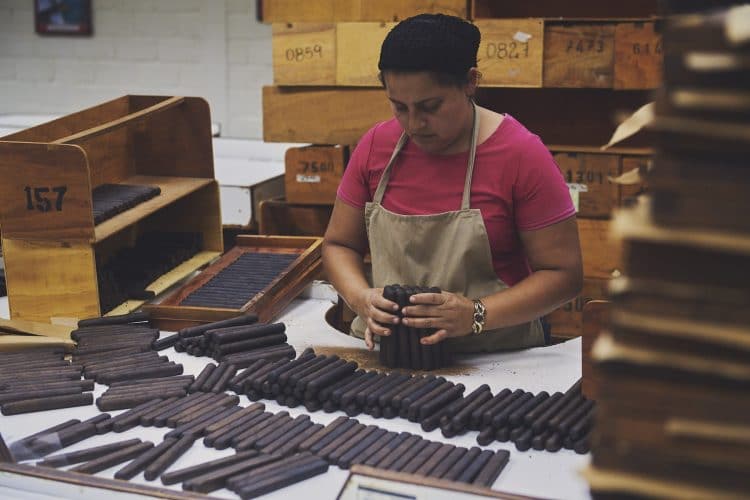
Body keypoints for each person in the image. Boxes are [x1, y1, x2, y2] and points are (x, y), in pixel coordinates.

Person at [322, 13, 582, 353]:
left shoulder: (521, 155)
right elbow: (339, 245)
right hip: (391, 358)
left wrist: (476, 314)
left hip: (497, 361)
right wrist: (360, 298)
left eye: (430, 107)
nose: (414, 124)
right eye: (399, 107)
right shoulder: (376, 146)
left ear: (470, 82)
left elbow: (564, 275)